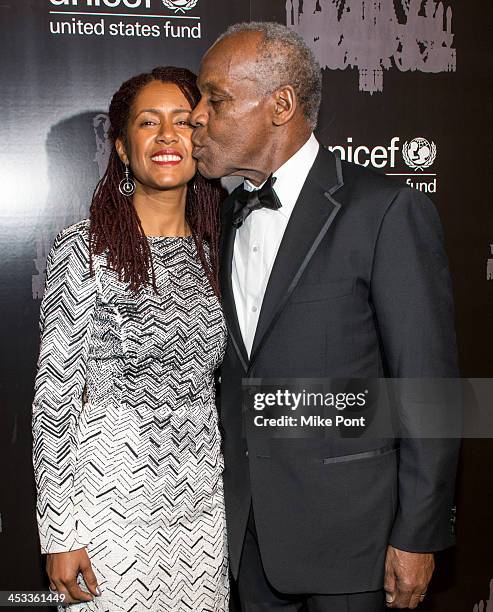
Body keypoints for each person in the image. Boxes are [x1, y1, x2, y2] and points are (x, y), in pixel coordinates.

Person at [190, 22, 460, 612]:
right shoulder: (224, 216)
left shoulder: (385, 210)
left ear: (280, 105)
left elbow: (429, 386)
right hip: (247, 541)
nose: (196, 117)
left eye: (216, 98)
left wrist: (417, 532)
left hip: (355, 545)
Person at [32, 66, 229, 611]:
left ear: (203, 137)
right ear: (122, 147)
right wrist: (59, 532)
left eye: (184, 122)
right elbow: (55, 395)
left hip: (203, 506)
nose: (168, 136)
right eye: (148, 123)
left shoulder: (223, 252)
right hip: (107, 505)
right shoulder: (83, 249)